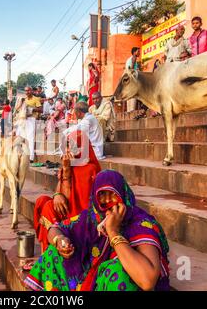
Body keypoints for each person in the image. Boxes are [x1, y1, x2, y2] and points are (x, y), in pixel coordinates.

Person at [25, 170, 170, 291]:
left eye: (112, 194)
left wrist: (113, 232)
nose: (107, 200)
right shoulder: (91, 218)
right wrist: (59, 240)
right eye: (101, 194)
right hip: (88, 280)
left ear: (122, 194)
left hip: (120, 285)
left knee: (118, 273)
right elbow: (55, 229)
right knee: (52, 253)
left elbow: (147, 281)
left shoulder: (140, 223)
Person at [34, 129, 101, 252]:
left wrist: (66, 170)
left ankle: (59, 248)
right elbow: (60, 195)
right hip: (66, 209)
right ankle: (49, 250)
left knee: (48, 207)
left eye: (72, 147)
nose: (68, 151)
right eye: (67, 147)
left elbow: (74, 203)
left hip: (82, 218)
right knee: (42, 201)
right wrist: (57, 194)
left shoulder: (90, 169)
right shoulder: (70, 165)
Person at [15, 87, 42, 162]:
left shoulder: (36, 99)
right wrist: (21, 102)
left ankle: (31, 158)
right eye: (26, 90)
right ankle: (19, 155)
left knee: (30, 138)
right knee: (19, 136)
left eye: (29, 90)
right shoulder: (23, 99)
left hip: (31, 119)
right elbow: (17, 109)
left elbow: (41, 110)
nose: (27, 92)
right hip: (22, 120)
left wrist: (32, 109)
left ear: (32, 91)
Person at [125, 47, 141, 113]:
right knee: (133, 94)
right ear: (134, 52)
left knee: (129, 96)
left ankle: (129, 111)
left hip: (128, 79)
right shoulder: (134, 58)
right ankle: (132, 110)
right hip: (132, 79)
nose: (139, 53)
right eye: (138, 51)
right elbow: (131, 69)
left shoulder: (129, 59)